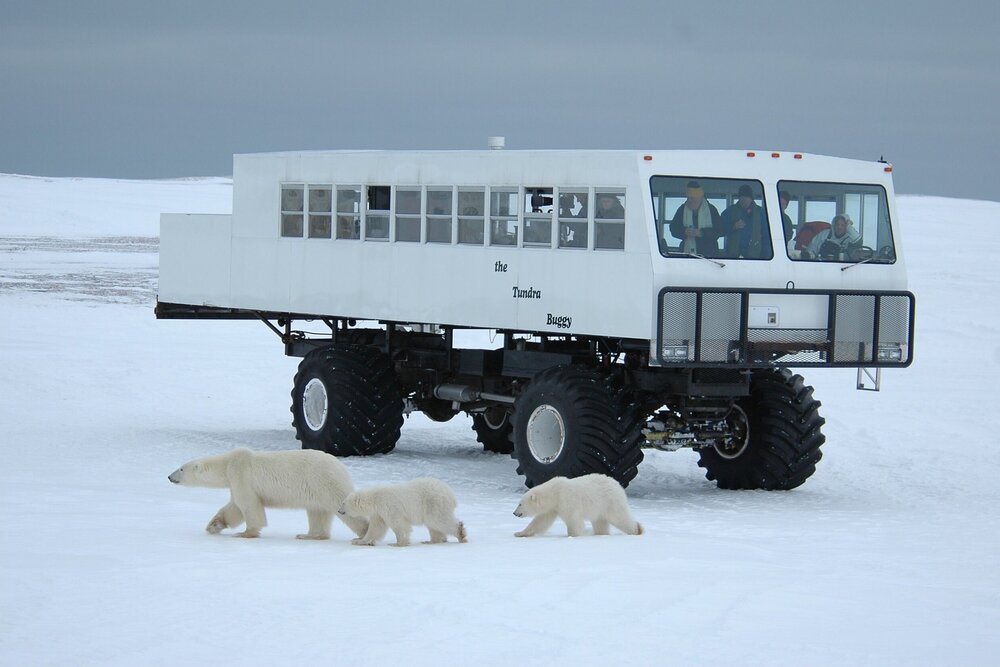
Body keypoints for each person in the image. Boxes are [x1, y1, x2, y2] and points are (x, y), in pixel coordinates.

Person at [668, 181, 721, 256]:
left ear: (700, 198)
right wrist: (684, 231)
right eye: (688, 198)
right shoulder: (682, 209)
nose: (690, 201)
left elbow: (720, 231)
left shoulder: (711, 210)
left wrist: (702, 233)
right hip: (687, 253)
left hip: (709, 254)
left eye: (693, 198)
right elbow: (673, 228)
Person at [720, 184, 771, 259]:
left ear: (751, 199)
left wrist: (767, 256)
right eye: (742, 198)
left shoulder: (761, 213)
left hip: (755, 256)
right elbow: (720, 230)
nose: (744, 200)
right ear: (739, 198)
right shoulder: (729, 211)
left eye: (747, 198)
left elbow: (766, 235)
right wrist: (733, 227)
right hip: (733, 255)